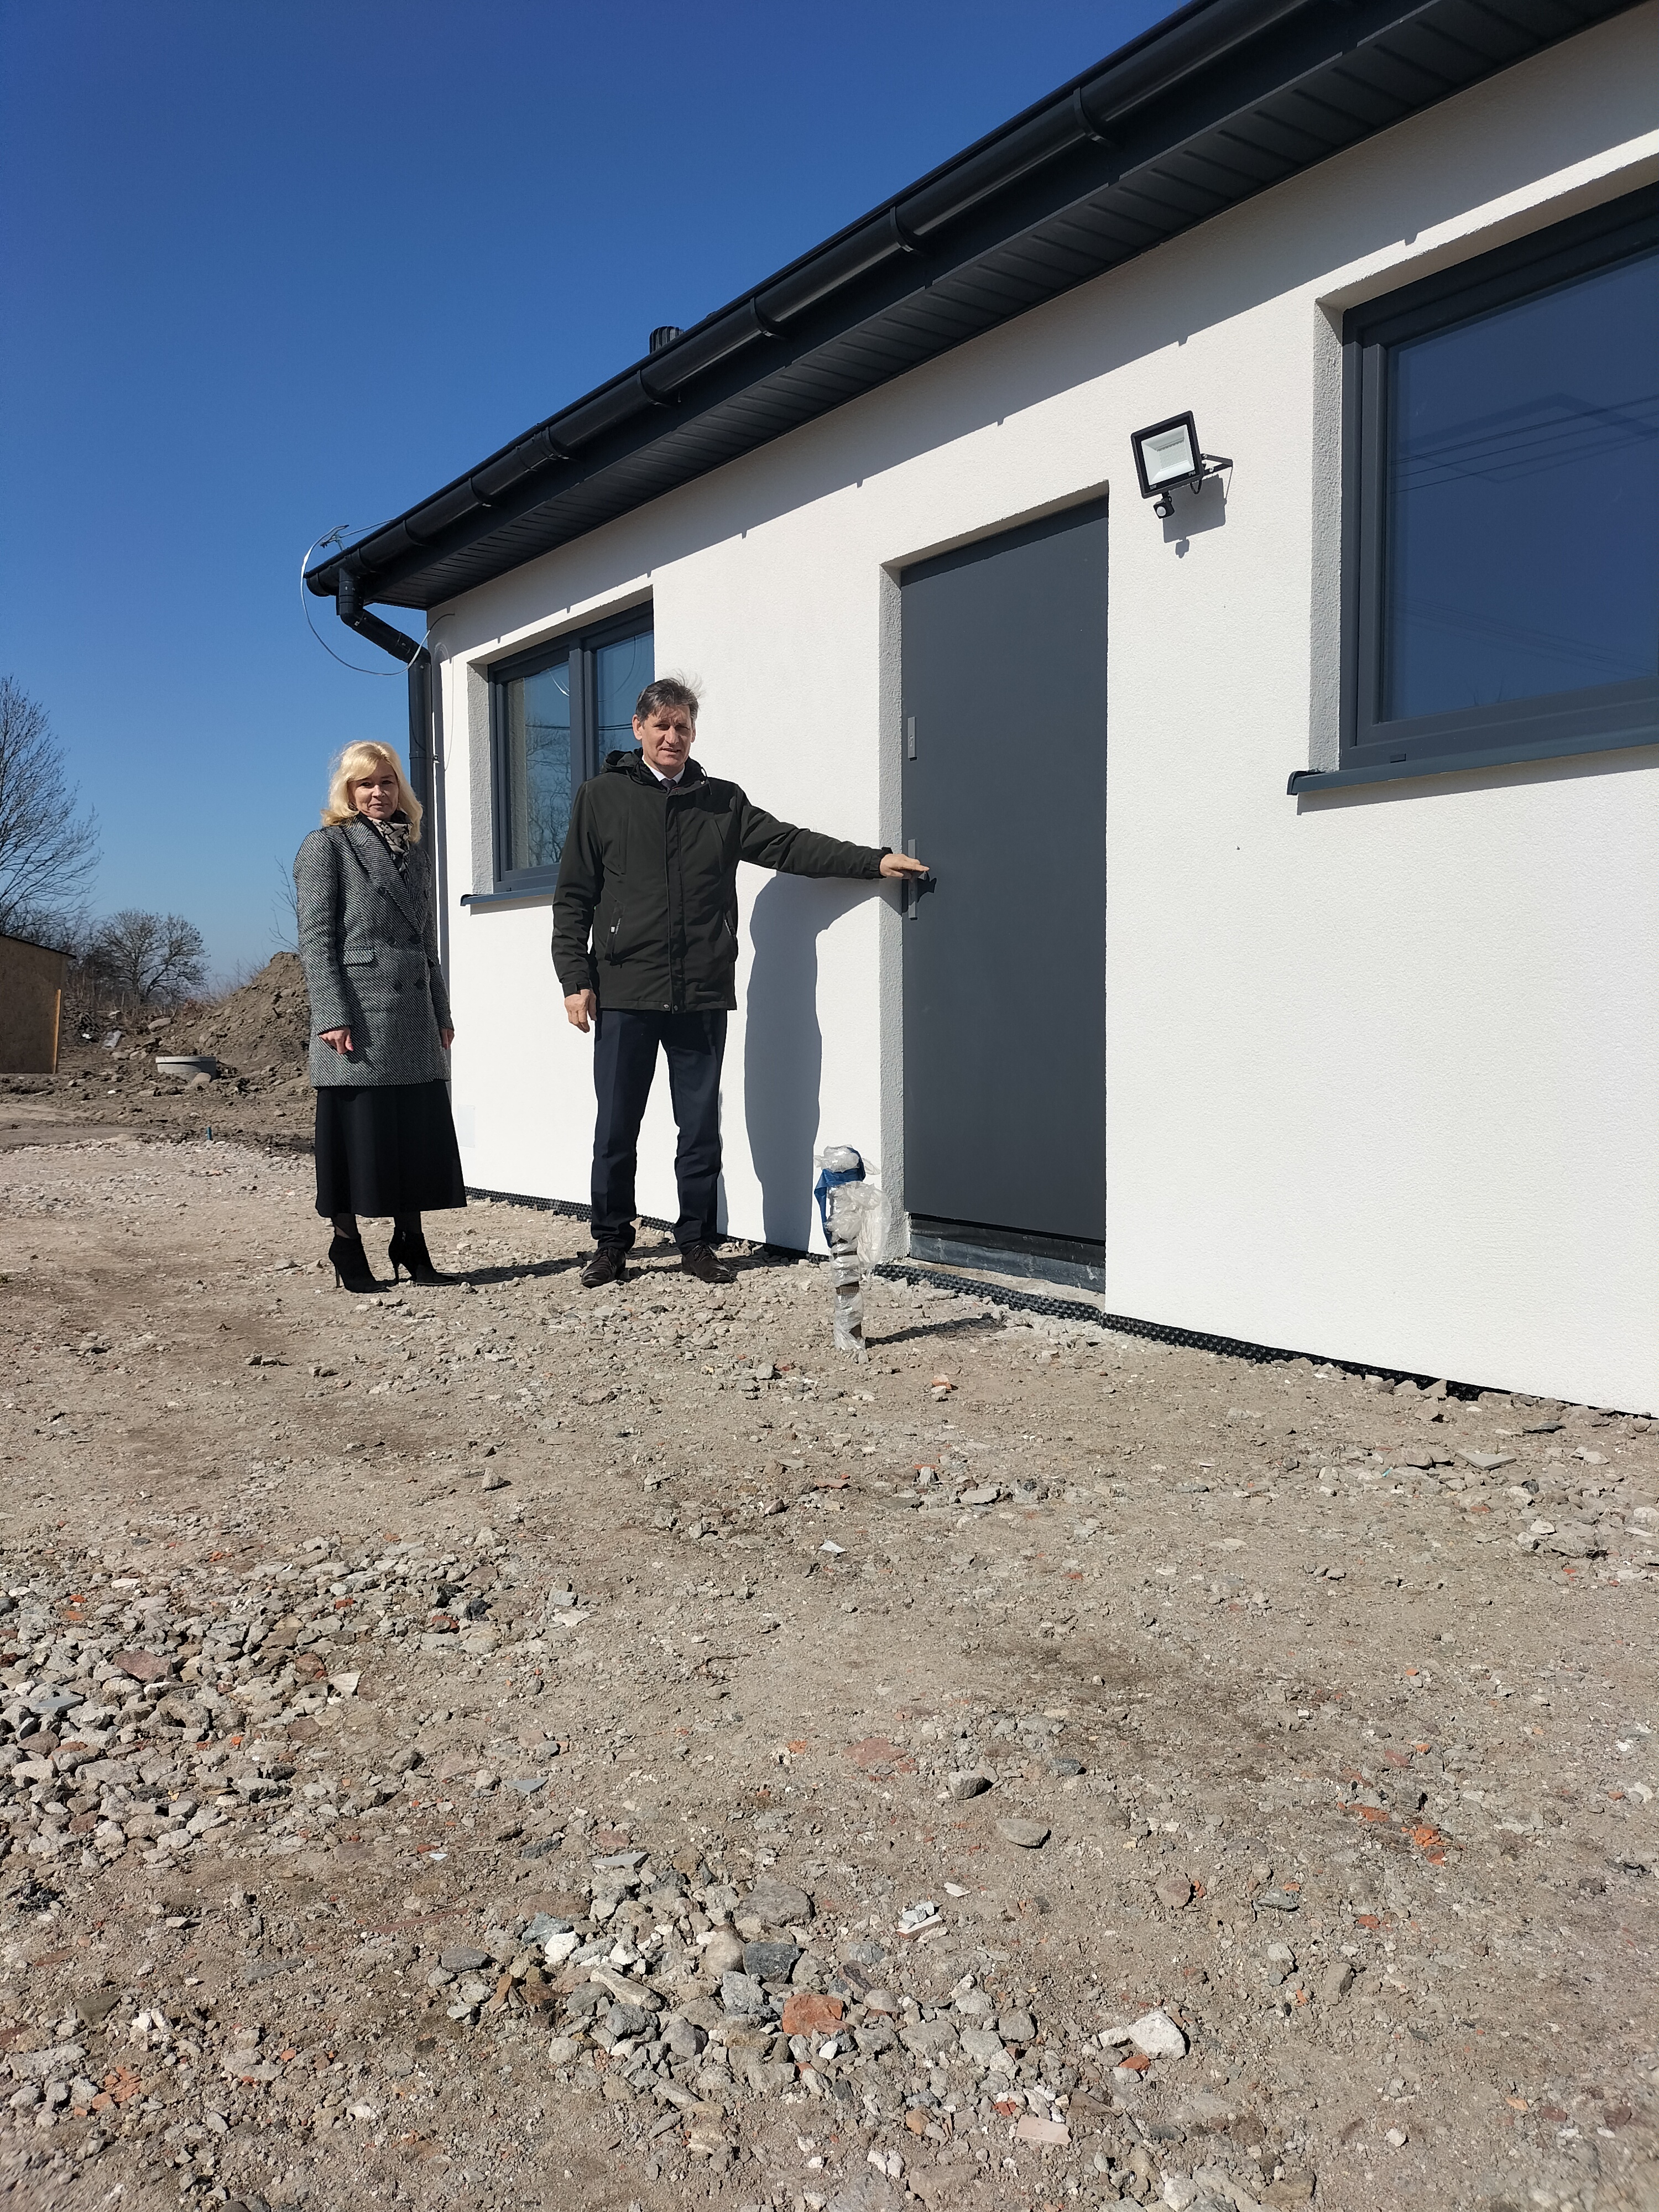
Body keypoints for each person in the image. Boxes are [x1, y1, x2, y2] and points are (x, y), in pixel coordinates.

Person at [552, 677, 928, 1289]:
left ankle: (697, 1242)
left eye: (682, 726)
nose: (672, 736)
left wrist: (873, 861)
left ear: (693, 733)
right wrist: (575, 978)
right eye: (661, 725)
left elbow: (789, 845)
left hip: (700, 990)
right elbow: (574, 896)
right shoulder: (601, 797)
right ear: (639, 728)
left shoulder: (722, 802)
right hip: (624, 989)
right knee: (617, 1127)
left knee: (700, 1129)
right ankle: (611, 1242)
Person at [294, 740, 465, 1292]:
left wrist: (441, 1010)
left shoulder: (413, 849)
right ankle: (346, 1244)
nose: (377, 793)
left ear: (400, 789)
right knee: (356, 1135)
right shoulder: (327, 847)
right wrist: (331, 1013)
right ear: (348, 791)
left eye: (387, 782)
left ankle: (410, 1243)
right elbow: (316, 939)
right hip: (359, 1015)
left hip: (412, 1011)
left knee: (413, 1133)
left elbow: (426, 942)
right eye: (365, 783)